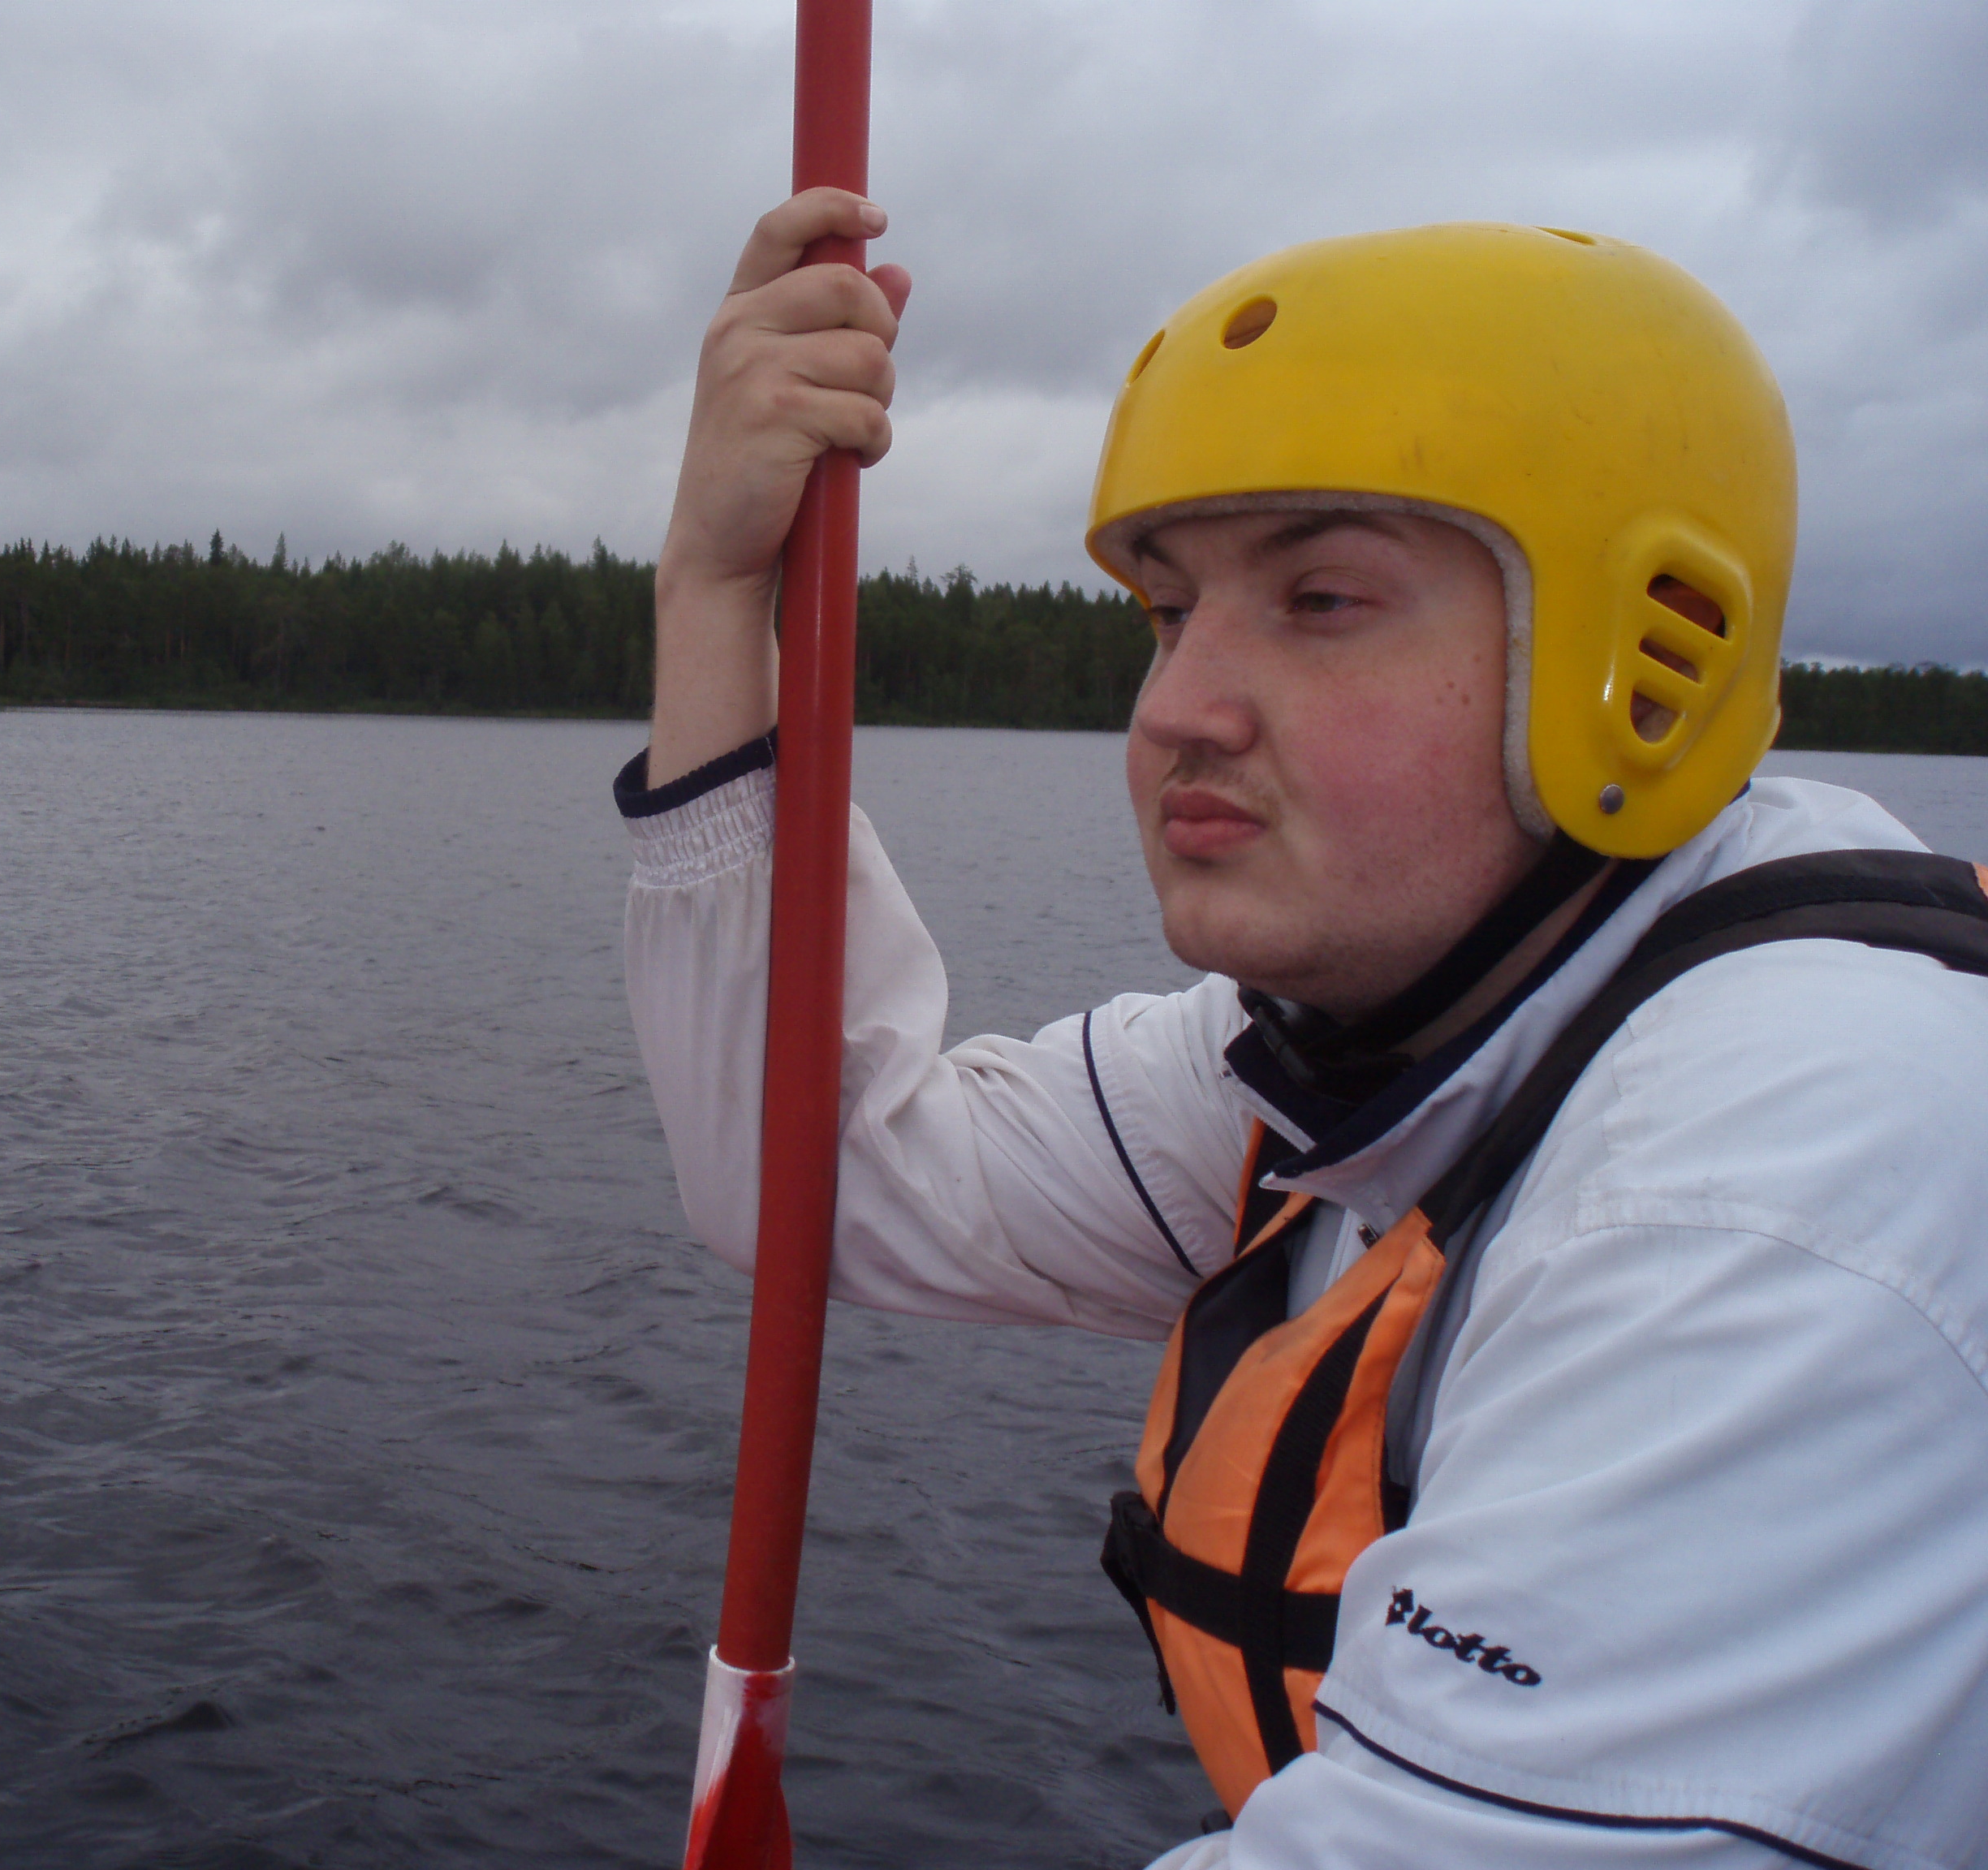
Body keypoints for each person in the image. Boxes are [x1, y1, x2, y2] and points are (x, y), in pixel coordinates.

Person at [619, 189, 1988, 1869]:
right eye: (1170, 610)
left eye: (1323, 599)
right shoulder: (1368, 1051)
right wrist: (714, 598)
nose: (1177, 708)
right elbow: (818, 1177)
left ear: (1647, 658)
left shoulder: (1778, 1177)